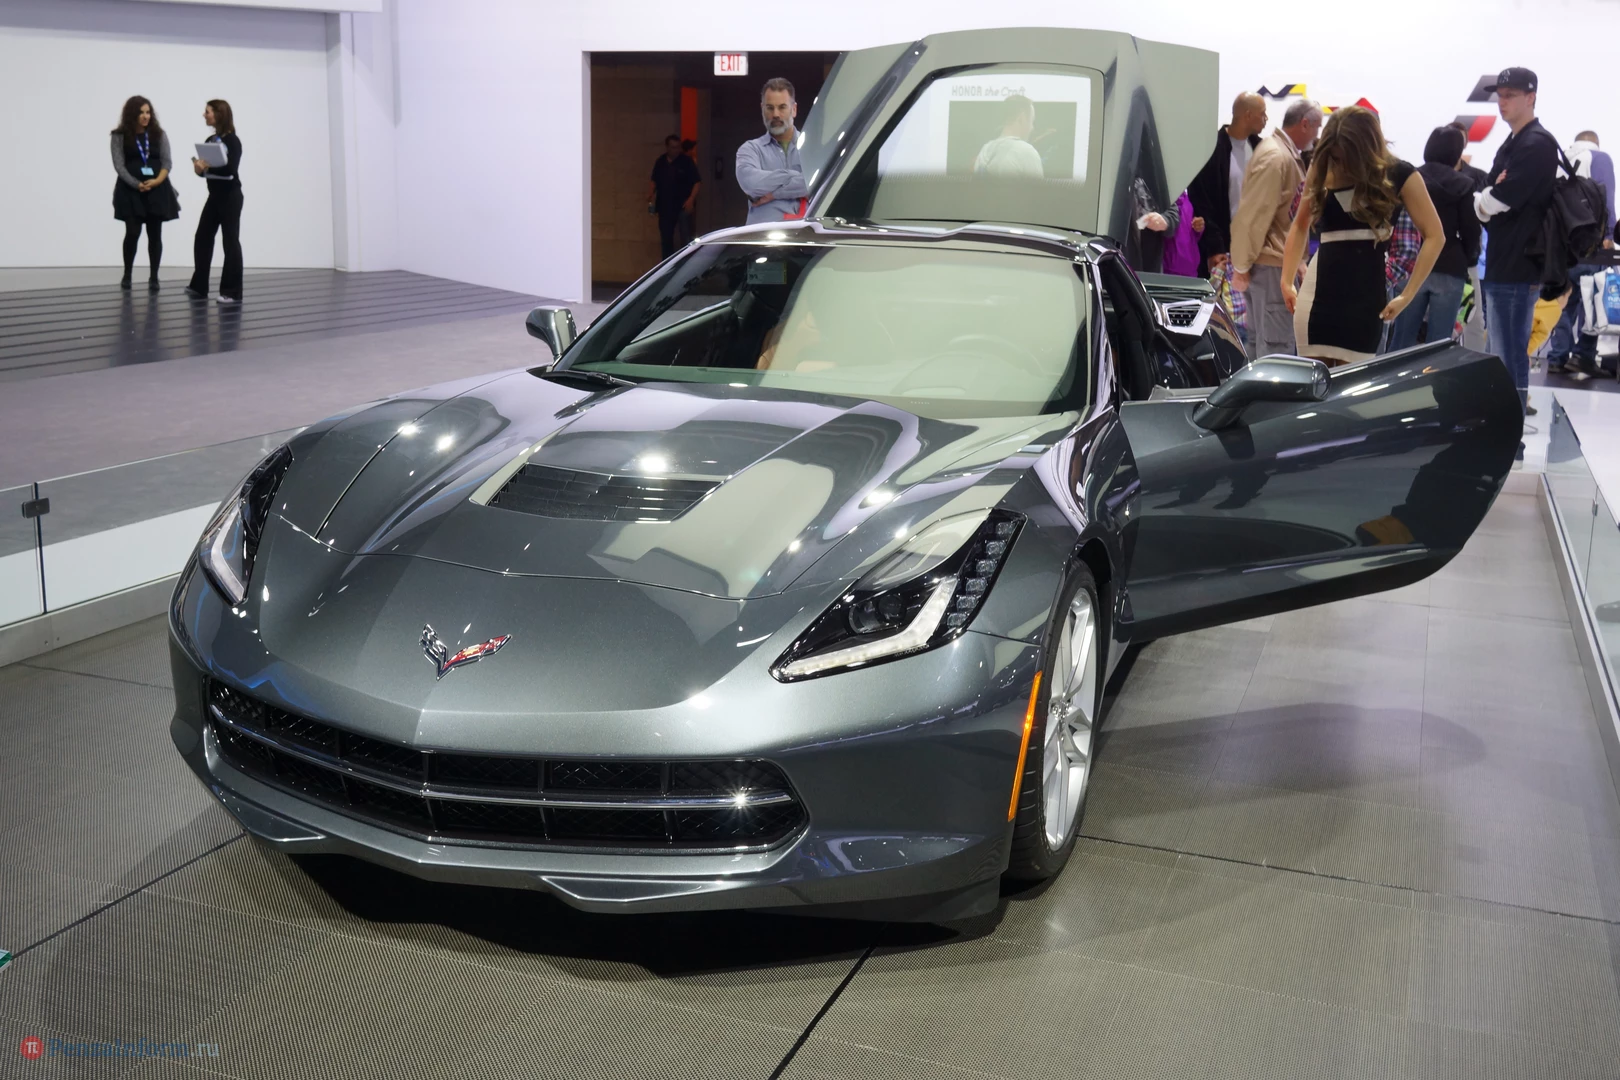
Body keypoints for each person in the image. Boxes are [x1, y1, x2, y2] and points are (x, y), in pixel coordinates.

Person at [1280, 106, 1443, 365]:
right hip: (1316, 297)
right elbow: (1300, 225)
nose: (1340, 162)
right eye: (1335, 155)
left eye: (1344, 155)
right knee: (1312, 382)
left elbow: (1435, 235)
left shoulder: (1400, 174)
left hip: (1366, 301)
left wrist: (1407, 295)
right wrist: (1286, 280)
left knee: (1351, 385)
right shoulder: (1322, 166)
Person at [1475, 67, 1560, 414]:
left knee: (1509, 354)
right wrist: (1488, 199)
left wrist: (1487, 200)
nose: (1502, 101)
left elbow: (1500, 196)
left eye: (1510, 95)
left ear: (1531, 97)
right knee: (1501, 352)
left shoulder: (1537, 144)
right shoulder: (1514, 142)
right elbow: (1488, 189)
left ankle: (1511, 429)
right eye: (1500, 95)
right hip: (1503, 262)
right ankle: (1503, 425)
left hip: (1518, 264)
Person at [1231, 98, 1324, 358]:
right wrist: (1241, 266)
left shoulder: (1281, 153)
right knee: (1275, 352)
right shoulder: (1277, 156)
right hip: (1270, 269)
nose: (1317, 135)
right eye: (1317, 128)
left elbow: (1274, 216)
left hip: (1271, 266)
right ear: (1304, 124)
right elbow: (1252, 216)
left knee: (1263, 347)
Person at [1387, 125, 1483, 351]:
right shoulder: (1463, 184)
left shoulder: (1409, 178)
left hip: (1412, 265)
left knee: (1401, 340)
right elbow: (1470, 229)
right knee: (1438, 344)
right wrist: (1468, 258)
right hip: (1450, 267)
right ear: (1457, 152)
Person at [1546, 129, 1617, 376]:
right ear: (1596, 142)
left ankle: (1557, 357)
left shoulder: (1561, 158)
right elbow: (1607, 197)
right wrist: (1609, 235)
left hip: (1560, 246)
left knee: (1563, 302)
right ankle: (1583, 356)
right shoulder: (1600, 158)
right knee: (1592, 300)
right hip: (1589, 243)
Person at [1187, 92, 1267, 278]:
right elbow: (1202, 202)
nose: (1266, 119)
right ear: (1248, 115)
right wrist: (1214, 246)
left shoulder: (1261, 148)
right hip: (1223, 249)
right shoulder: (1211, 150)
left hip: (1256, 248)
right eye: (1262, 113)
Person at [110, 95, 180, 291]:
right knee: (132, 233)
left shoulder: (159, 134)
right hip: (131, 192)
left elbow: (167, 162)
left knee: (155, 235)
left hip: (157, 190)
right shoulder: (119, 136)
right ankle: (127, 274)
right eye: (141, 112)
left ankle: (154, 277)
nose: (145, 116)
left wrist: (157, 180)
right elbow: (119, 165)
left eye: (148, 112)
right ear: (131, 114)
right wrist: (137, 184)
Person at [186, 99, 244, 304]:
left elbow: (230, 169)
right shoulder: (210, 140)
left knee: (230, 241)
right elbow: (207, 173)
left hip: (230, 196)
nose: (205, 115)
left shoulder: (233, 141)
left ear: (219, 114)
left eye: (208, 112)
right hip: (215, 196)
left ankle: (232, 291)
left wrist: (208, 168)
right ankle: (199, 285)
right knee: (202, 237)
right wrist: (199, 170)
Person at [736, 78, 807, 225]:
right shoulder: (750, 149)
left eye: (782, 107)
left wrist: (774, 194)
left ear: (794, 109)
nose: (775, 114)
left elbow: (822, 184)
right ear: (762, 109)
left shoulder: (813, 147)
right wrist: (798, 178)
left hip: (806, 235)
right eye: (770, 108)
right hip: (762, 236)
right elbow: (752, 184)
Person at [648, 135, 701, 259]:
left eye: (678, 147)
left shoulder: (686, 161)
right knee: (666, 239)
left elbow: (697, 182)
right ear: (667, 147)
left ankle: (687, 262)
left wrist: (691, 199)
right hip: (665, 206)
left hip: (682, 205)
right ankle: (668, 263)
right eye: (673, 147)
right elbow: (654, 180)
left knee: (686, 238)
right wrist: (650, 193)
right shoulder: (661, 162)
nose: (676, 150)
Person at [974, 95, 1045, 178]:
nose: (1032, 128)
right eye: (1031, 121)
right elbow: (1037, 187)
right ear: (1021, 118)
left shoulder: (984, 150)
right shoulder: (1027, 152)